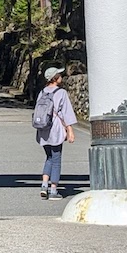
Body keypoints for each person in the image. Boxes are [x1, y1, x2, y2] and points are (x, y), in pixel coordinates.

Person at [35, 66, 76, 200]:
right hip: (55, 128)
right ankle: (53, 190)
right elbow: (66, 112)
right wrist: (70, 130)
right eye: (59, 75)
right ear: (55, 78)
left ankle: (44, 185)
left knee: (49, 157)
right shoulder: (61, 92)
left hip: (43, 128)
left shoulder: (42, 92)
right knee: (56, 159)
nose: (61, 76)